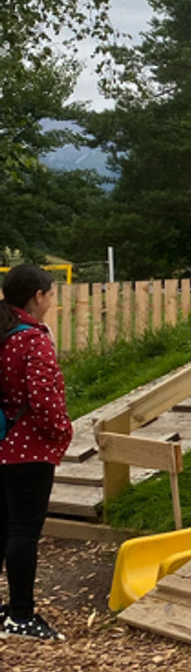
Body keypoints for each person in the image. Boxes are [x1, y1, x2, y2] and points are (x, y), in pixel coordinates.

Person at [0, 264, 73, 641]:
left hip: (1, 444)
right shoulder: (33, 339)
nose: (52, 300)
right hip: (28, 450)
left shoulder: (3, 332)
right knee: (25, 532)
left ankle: (5, 611)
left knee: (4, 527)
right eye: (52, 293)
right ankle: (22, 615)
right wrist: (62, 432)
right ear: (38, 296)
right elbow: (44, 400)